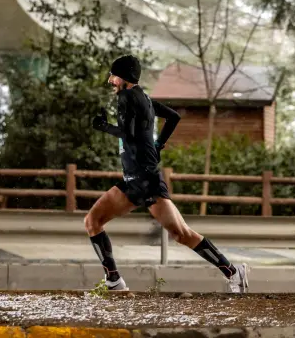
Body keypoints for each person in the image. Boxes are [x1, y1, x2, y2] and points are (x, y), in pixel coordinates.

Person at [86, 54, 248, 293]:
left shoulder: (127, 97)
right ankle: (114, 281)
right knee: (93, 221)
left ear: (126, 78)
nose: (110, 80)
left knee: (181, 234)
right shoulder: (145, 98)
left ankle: (234, 272)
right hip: (133, 181)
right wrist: (158, 145)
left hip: (146, 181)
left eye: (114, 76)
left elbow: (128, 134)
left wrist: (103, 126)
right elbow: (173, 117)